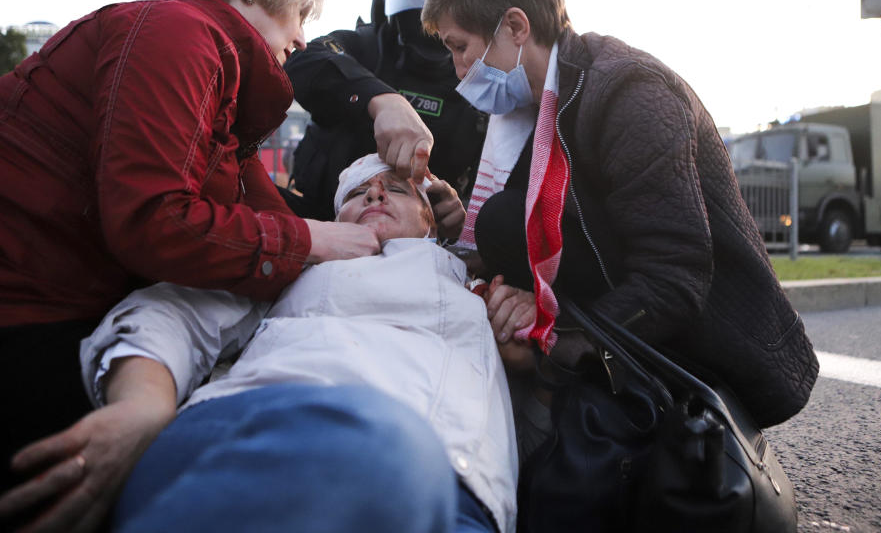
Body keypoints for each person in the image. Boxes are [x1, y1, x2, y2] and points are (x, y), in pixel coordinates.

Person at [0, 0, 395, 492]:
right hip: (28, 314)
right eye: (299, 14)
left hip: (58, 305)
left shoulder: (222, 95)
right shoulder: (178, 32)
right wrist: (319, 240)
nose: (303, 40)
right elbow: (152, 219)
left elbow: (267, 222)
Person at [421, 0, 819, 432]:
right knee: (501, 219)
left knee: (506, 222)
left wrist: (552, 335)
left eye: (461, 48)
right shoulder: (535, 109)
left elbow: (674, 279)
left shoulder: (631, 94)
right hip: (632, 315)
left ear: (516, 26)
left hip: (711, 347)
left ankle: (561, 407)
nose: (459, 71)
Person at [0, 154, 517, 533]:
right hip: (248, 431)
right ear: (335, 219)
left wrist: (541, 346)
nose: (376, 195)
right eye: (360, 193)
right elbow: (170, 313)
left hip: (460, 496)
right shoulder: (294, 264)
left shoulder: (484, 294)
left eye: (397, 190)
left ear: (432, 222)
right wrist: (143, 406)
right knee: (381, 449)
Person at [283, 0, 487, 234]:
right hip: (320, 221)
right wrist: (379, 100)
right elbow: (302, 59)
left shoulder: (481, 84)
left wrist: (460, 213)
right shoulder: (364, 47)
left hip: (416, 240)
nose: (429, 12)